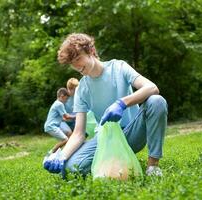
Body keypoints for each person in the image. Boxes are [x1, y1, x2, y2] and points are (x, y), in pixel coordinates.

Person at [44, 33, 168, 177]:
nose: (77, 66)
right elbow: (78, 133)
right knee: (71, 168)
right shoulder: (82, 89)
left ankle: (153, 166)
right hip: (106, 139)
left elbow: (152, 87)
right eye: (72, 63)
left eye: (78, 58)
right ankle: (113, 159)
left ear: (91, 51)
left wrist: (122, 103)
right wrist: (62, 156)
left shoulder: (118, 67)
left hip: (133, 133)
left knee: (156, 101)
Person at [44, 88, 76, 153]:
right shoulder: (59, 104)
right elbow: (66, 116)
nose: (66, 101)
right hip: (51, 126)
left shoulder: (56, 103)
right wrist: (77, 116)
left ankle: (63, 152)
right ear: (62, 96)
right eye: (66, 99)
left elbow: (63, 118)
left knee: (67, 136)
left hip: (51, 126)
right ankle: (51, 153)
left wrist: (71, 119)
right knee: (65, 139)